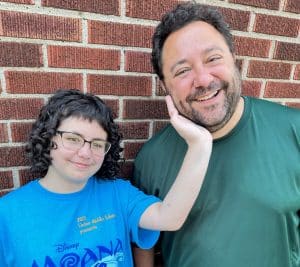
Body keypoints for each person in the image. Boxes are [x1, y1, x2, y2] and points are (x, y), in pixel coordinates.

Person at [132, 2, 300, 267]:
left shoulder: (294, 131)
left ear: (233, 57)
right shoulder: (150, 160)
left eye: (213, 58)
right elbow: (144, 247)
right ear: (164, 84)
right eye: (182, 70)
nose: (202, 79)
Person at [0, 89, 212, 266]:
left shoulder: (117, 193)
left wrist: (199, 145)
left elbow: (169, 217)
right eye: (73, 139)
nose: (85, 153)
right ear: (48, 139)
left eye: (97, 144)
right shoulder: (7, 214)